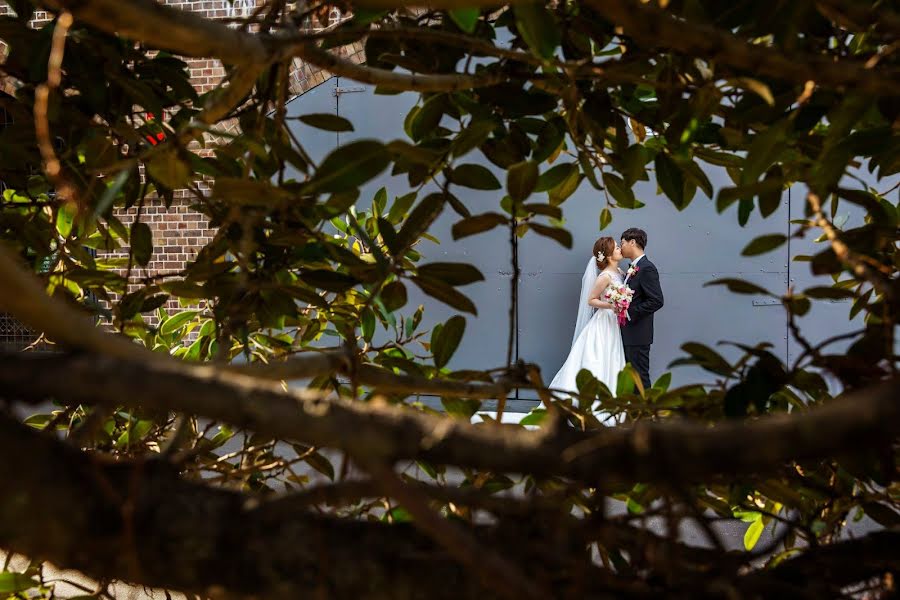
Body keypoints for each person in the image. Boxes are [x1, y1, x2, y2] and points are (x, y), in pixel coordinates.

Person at [549, 237, 626, 415]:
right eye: (616, 248)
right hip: (603, 323)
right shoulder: (605, 276)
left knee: (612, 357)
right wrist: (611, 305)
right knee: (598, 357)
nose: (620, 249)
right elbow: (591, 300)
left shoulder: (621, 272)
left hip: (614, 323)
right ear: (608, 255)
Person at [619, 228, 664, 390]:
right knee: (630, 378)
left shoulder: (646, 268)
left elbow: (657, 300)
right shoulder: (632, 269)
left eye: (622, 243)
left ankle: (647, 413)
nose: (620, 247)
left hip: (638, 334)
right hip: (629, 333)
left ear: (632, 242)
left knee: (640, 377)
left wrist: (629, 313)